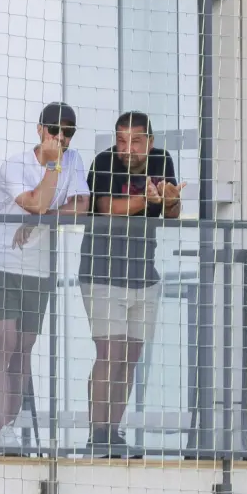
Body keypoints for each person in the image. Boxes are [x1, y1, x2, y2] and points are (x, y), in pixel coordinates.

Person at [0, 102, 90, 451]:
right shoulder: (16, 163)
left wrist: (42, 220)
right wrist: (53, 167)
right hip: (4, 263)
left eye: (68, 132)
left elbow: (82, 205)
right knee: (3, 344)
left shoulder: (75, 160)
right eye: (55, 130)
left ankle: (10, 425)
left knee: (24, 349)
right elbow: (35, 202)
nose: (61, 138)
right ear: (40, 129)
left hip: (40, 269)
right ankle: (2, 428)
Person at [79, 111, 184, 457]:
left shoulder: (162, 160)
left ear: (150, 141)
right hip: (102, 273)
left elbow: (171, 212)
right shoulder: (104, 162)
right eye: (122, 140)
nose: (127, 148)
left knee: (131, 356)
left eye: (135, 141)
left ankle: (113, 433)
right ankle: (97, 436)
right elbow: (107, 207)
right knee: (110, 353)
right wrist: (148, 200)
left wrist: (170, 198)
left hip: (144, 275)